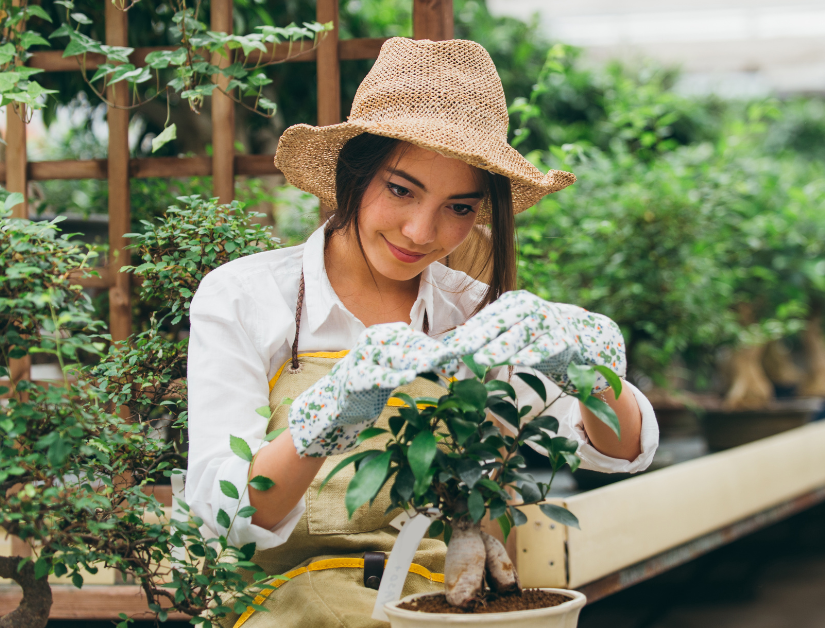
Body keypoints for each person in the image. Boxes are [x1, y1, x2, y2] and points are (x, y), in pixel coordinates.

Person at [186, 37, 660, 627]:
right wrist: (323, 420)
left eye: (459, 207)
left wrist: (592, 375)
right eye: (400, 189)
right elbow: (223, 511)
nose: (420, 231)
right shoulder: (246, 297)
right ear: (354, 174)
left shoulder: (471, 313)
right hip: (281, 607)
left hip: (439, 601)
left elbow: (621, 452)